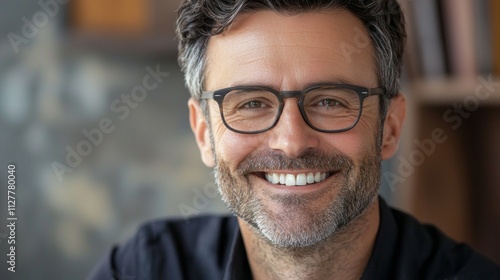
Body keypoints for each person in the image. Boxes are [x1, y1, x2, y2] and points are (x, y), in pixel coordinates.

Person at [89, 0, 500, 279]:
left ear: (390, 127)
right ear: (204, 132)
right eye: (250, 103)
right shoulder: (145, 269)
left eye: (328, 101)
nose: (291, 142)